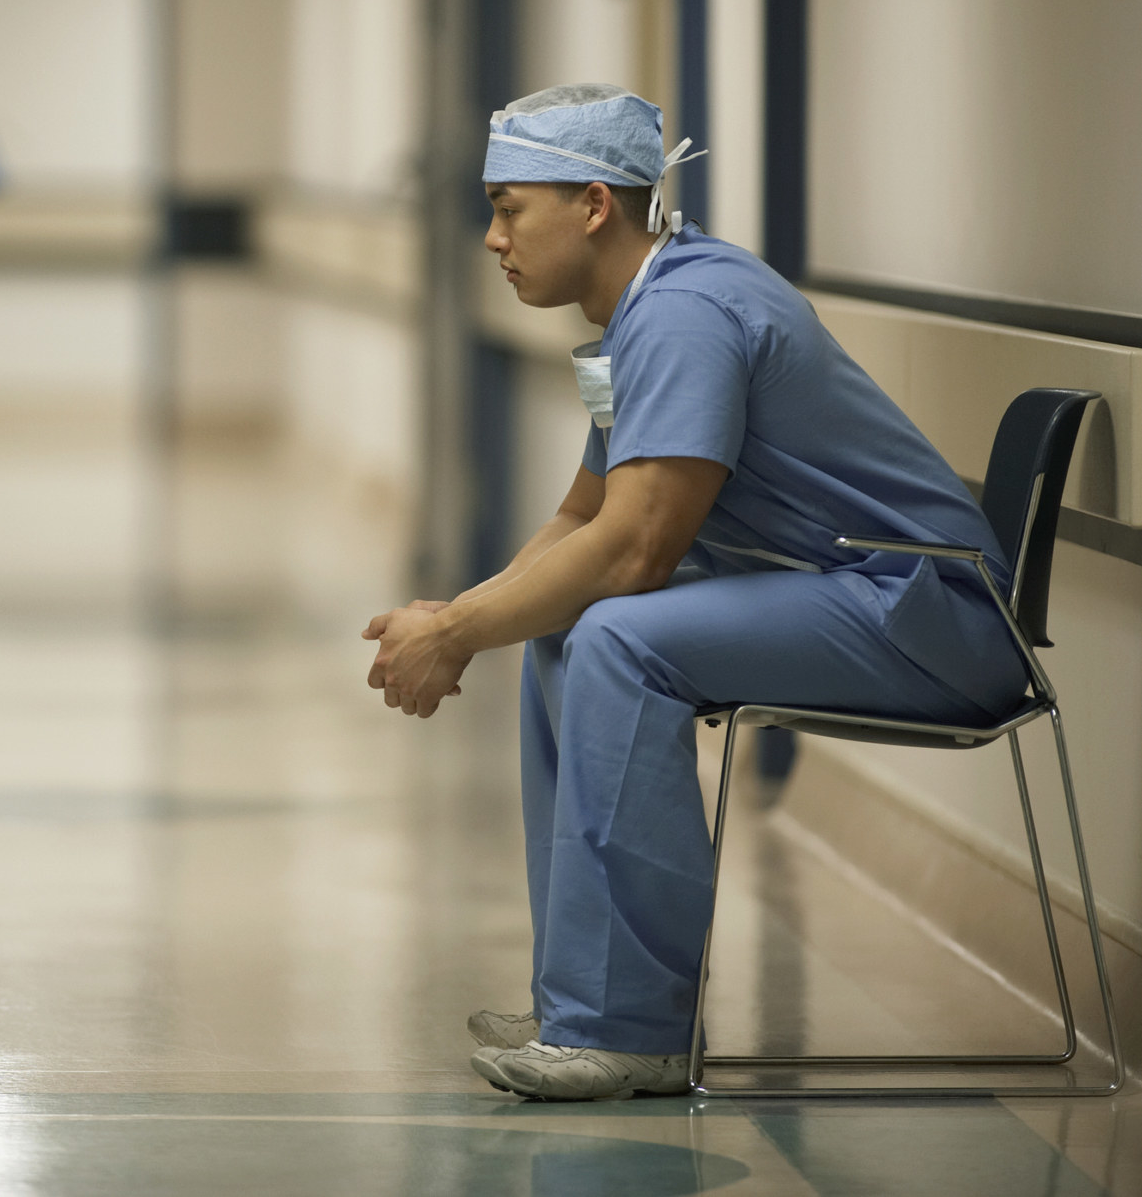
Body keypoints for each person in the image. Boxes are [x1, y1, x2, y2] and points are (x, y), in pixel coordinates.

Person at [362, 84, 1024, 1100]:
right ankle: (579, 995)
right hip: (859, 594)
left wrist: (453, 633)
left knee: (618, 636)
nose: (492, 238)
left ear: (592, 204)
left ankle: (629, 1026)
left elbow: (635, 554)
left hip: (935, 615)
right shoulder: (632, 320)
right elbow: (582, 519)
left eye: (508, 207)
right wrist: (458, 620)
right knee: (564, 630)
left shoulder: (681, 314)